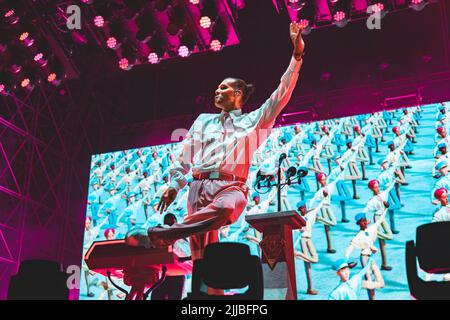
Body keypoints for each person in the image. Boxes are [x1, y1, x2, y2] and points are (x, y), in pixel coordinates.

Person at [126, 23, 306, 267]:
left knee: (225, 208)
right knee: (203, 261)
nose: (217, 91)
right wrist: (174, 185)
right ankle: (208, 294)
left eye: (224, 87)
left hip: (231, 186)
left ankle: (168, 233)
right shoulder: (203, 121)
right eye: (217, 87)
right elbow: (184, 155)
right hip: (198, 186)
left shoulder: (256, 120)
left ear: (239, 93)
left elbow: (282, 93)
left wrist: (296, 57)